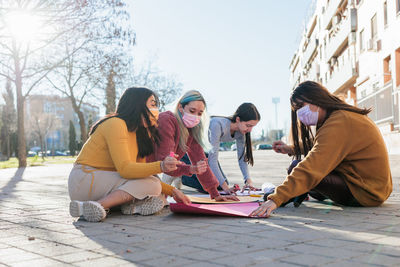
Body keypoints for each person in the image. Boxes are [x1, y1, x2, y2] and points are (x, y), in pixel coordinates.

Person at [251, 81, 393, 217]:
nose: (300, 113)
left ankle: (290, 194)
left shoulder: (340, 121)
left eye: (301, 106)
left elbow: (312, 165)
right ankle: (296, 191)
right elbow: (321, 143)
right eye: (297, 109)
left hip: (366, 193)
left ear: (317, 99)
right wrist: (291, 148)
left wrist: (276, 198)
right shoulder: (340, 116)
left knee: (297, 167)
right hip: (373, 188)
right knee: (308, 184)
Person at [68, 87, 190, 222]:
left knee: (158, 193)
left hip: (105, 184)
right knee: (152, 185)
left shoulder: (141, 134)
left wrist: (172, 191)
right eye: (153, 104)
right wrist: (161, 166)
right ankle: (97, 206)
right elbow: (125, 169)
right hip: (84, 180)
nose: (157, 111)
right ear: (137, 104)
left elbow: (143, 174)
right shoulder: (116, 123)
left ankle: (131, 208)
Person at [152, 90, 239, 201]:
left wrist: (215, 193)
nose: (195, 117)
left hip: (153, 173)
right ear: (180, 107)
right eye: (192, 111)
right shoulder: (166, 120)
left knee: (160, 198)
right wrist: (191, 169)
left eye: (199, 113)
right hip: (139, 168)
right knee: (155, 196)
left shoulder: (191, 131)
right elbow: (165, 163)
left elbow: (201, 162)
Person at [176, 103, 261, 194]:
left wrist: (248, 181)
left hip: (205, 151)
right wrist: (226, 188)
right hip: (188, 150)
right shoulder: (217, 124)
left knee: (220, 185)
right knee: (214, 186)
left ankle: (187, 173)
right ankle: (181, 174)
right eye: (248, 125)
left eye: (253, 126)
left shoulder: (241, 133)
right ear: (238, 119)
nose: (250, 130)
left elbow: (242, 159)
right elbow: (213, 159)